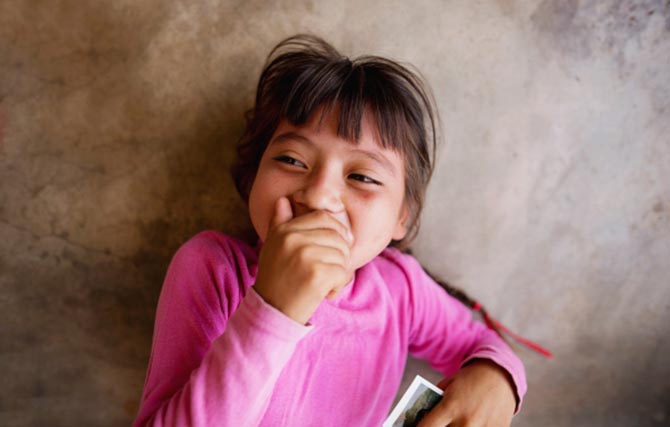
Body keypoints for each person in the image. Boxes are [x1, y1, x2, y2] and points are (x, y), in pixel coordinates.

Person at [133, 34, 528, 427]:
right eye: (291, 159)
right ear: (254, 177)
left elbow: (482, 344)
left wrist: (499, 379)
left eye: (362, 176)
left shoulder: (400, 290)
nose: (320, 196)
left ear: (401, 218)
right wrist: (273, 307)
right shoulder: (212, 269)